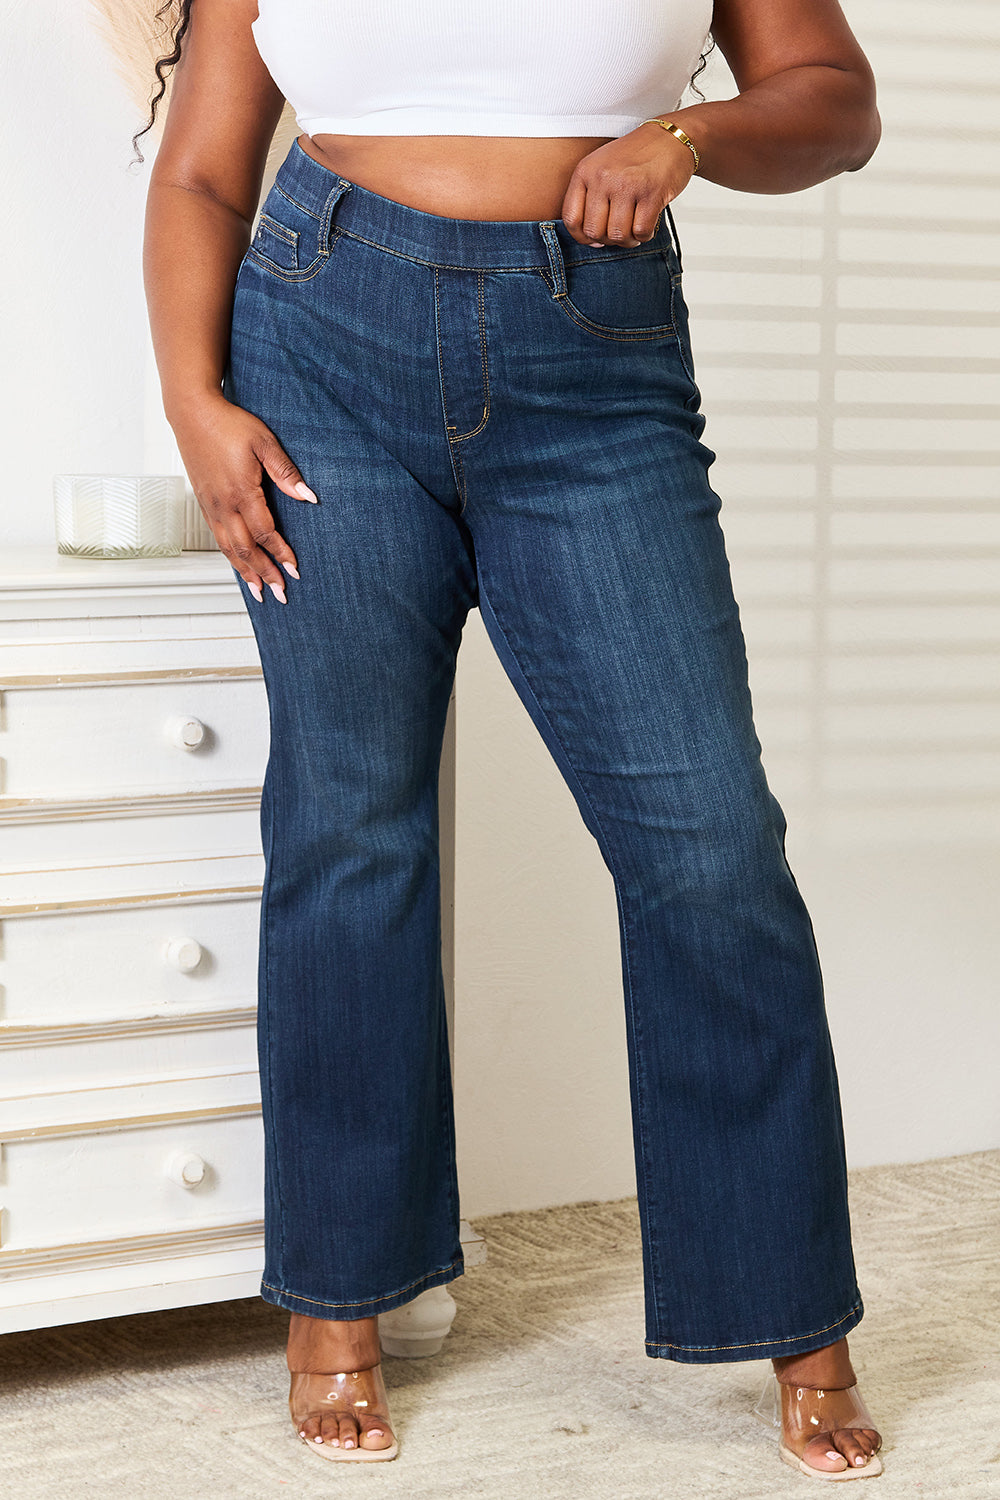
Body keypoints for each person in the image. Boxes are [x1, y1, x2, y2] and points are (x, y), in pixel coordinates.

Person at [141, 0, 883, 1479]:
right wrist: (193, 401)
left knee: (710, 847)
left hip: (592, 364)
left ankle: (794, 1315)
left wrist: (689, 134)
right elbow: (205, 169)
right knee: (349, 827)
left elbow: (834, 98)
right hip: (318, 345)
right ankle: (338, 1307)